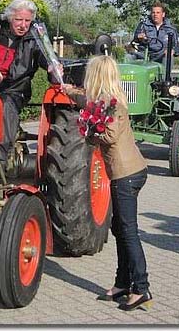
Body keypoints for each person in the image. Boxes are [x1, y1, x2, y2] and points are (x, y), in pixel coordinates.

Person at [67, 55, 152, 311]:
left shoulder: (111, 104)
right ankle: (122, 283)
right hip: (128, 172)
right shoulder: (104, 100)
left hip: (126, 175)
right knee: (119, 228)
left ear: (95, 76)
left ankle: (141, 288)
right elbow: (86, 101)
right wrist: (69, 91)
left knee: (128, 231)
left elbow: (110, 134)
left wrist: (89, 133)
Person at [0, 0, 59, 176]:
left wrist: (52, 66)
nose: (23, 25)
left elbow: (46, 56)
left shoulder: (34, 37)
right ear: (9, 18)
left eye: (27, 21)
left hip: (14, 88)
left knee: (5, 107)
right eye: (19, 20)